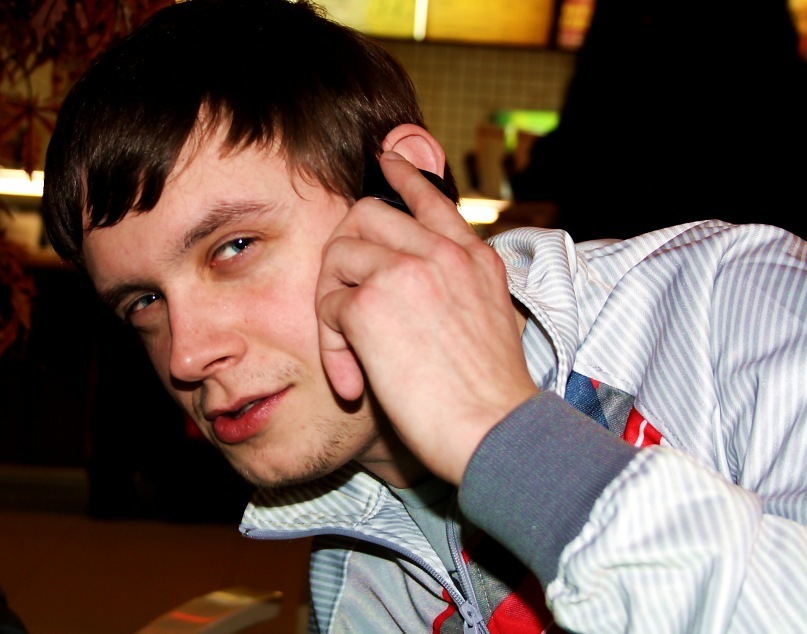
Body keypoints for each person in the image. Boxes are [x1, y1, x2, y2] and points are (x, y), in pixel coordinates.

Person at [40, 0, 806, 632]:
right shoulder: (356, 591)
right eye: (144, 301)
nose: (184, 355)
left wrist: (506, 440)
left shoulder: (735, 304)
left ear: (401, 184)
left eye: (234, 246)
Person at [509, 0, 807, 242]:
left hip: (630, 236)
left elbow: (591, 110)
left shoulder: (631, 30)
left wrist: (541, 179)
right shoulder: (762, 32)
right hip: (746, 247)